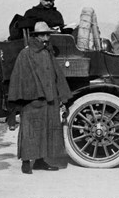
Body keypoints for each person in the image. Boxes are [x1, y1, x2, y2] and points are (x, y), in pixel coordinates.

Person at [8, 21, 72, 174]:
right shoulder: (27, 53)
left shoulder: (47, 51)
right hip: (33, 99)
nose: (47, 37)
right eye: (44, 34)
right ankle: (25, 161)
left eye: (48, 34)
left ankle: (40, 161)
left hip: (49, 99)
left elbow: (56, 74)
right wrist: (28, 95)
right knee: (30, 130)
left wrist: (62, 95)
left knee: (45, 131)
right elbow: (20, 76)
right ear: (37, 36)